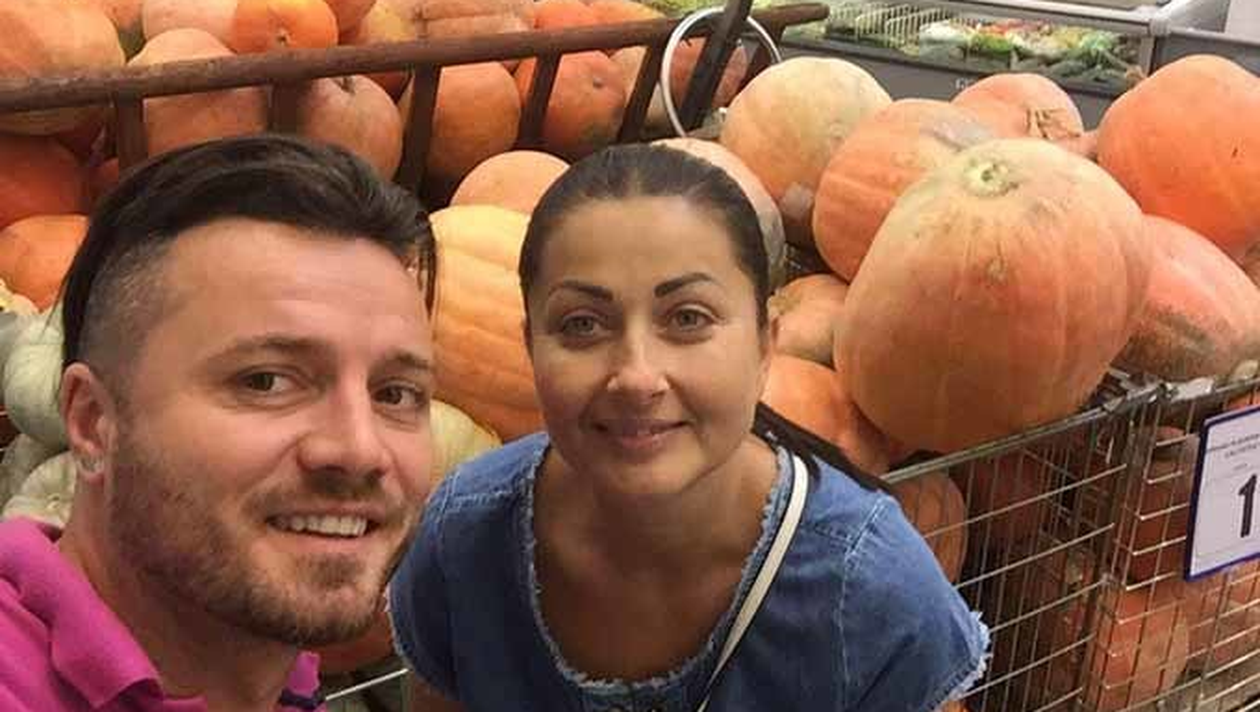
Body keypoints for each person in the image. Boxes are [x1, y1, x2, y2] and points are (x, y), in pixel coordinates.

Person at [389, 143, 989, 712]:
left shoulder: (873, 593)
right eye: (582, 324)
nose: (637, 377)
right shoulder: (464, 540)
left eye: (687, 318)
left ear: (764, 346)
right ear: (530, 348)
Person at [0, 134, 438, 712]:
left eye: (395, 394)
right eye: (266, 381)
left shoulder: (260, 666)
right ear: (92, 422)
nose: (360, 449)